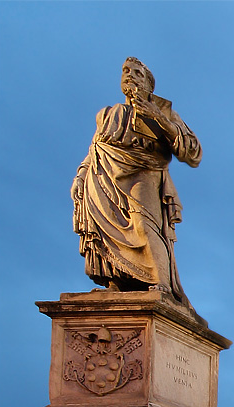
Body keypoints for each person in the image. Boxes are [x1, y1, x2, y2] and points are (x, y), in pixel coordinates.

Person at [72, 58, 201, 304]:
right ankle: (117, 281)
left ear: (149, 84)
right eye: (126, 71)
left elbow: (193, 151)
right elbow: (95, 147)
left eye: (137, 73)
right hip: (103, 176)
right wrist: (80, 176)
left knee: (145, 224)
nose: (130, 75)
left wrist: (161, 121)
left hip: (144, 174)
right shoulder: (108, 114)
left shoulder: (163, 111)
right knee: (104, 230)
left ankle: (162, 284)